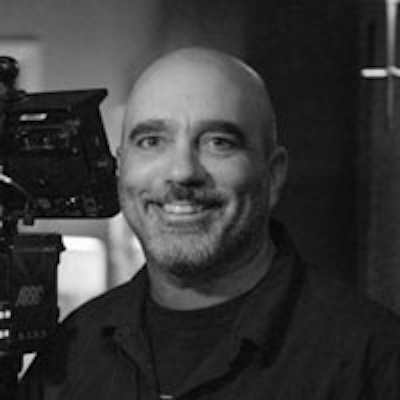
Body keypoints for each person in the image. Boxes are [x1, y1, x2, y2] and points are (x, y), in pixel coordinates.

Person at [17, 47, 400, 400]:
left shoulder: (371, 359)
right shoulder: (71, 351)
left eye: (218, 142)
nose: (182, 172)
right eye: (151, 141)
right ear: (120, 168)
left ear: (273, 175)